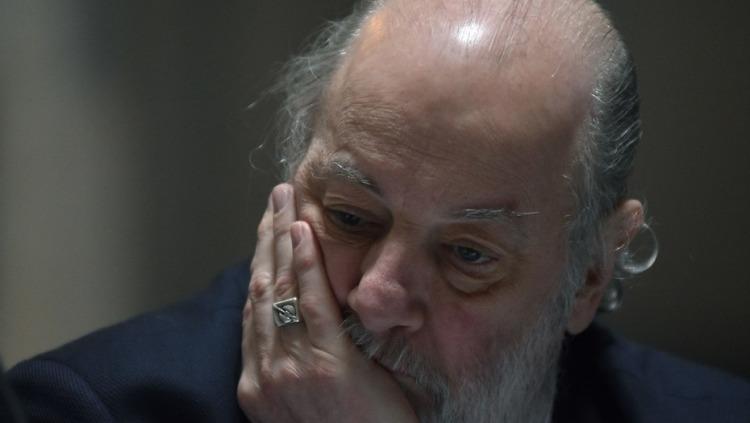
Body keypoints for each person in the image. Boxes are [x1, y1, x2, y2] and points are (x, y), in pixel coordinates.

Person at [4, 0, 750, 421]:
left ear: (589, 273)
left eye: (468, 254)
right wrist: (287, 313)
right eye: (352, 217)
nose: (376, 296)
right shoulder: (83, 408)